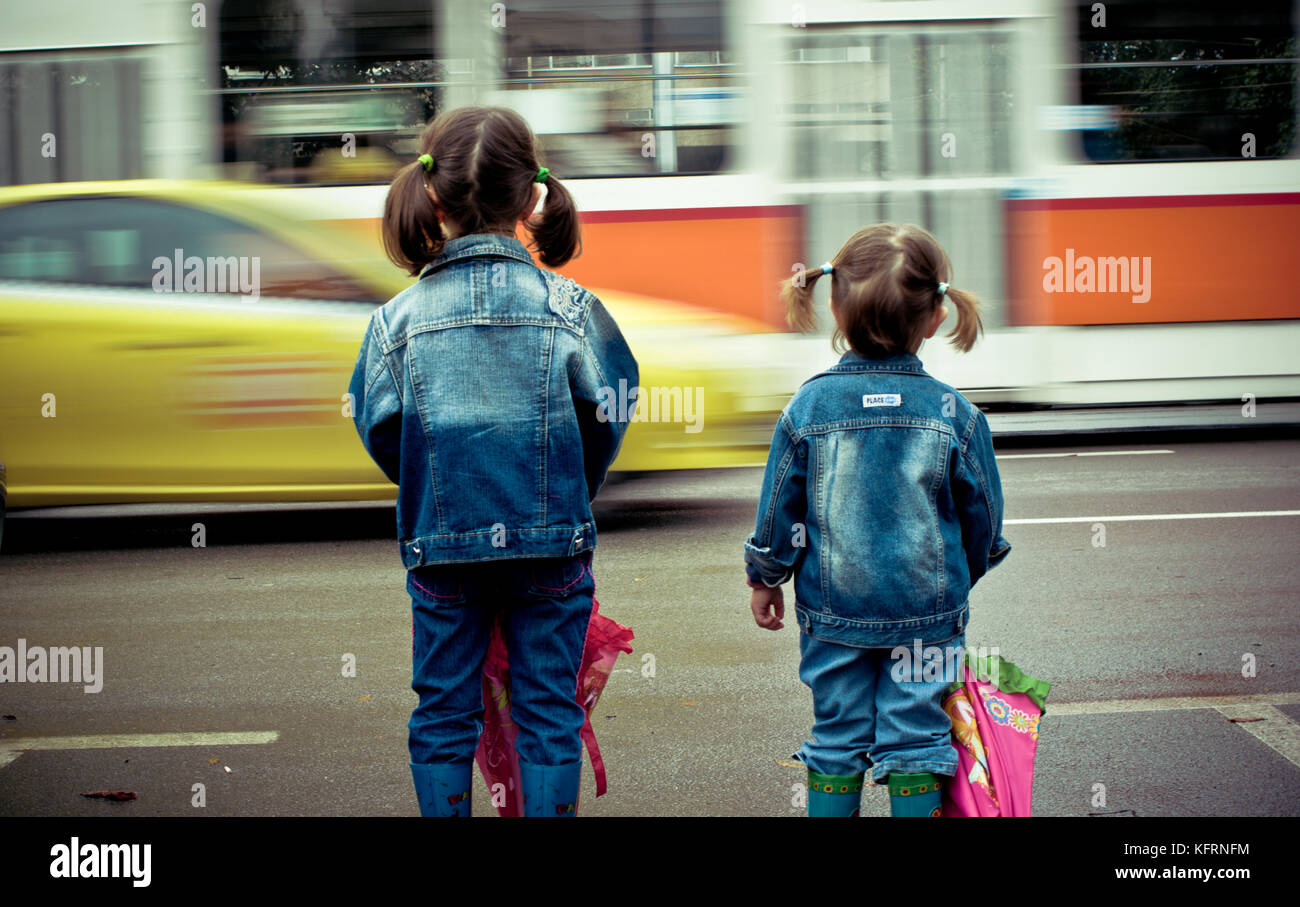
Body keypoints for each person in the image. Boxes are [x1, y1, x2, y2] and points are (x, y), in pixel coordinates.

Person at [349, 106, 638, 817]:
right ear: (531, 198)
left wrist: (435, 485)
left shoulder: (394, 321)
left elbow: (379, 424)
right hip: (551, 546)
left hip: (443, 548)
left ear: (434, 198)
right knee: (548, 709)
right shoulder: (571, 307)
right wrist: (573, 482)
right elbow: (614, 405)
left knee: (443, 712)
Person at [744, 223, 1011, 817]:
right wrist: (955, 580)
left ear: (835, 307)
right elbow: (984, 523)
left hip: (834, 614)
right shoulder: (955, 414)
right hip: (926, 616)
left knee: (836, 737)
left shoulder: (809, 407)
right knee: (917, 739)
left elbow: (778, 510)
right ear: (936, 315)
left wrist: (766, 576)